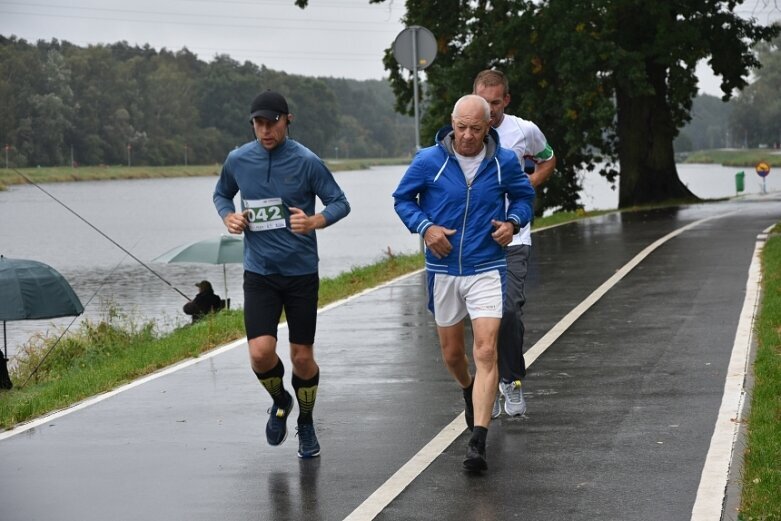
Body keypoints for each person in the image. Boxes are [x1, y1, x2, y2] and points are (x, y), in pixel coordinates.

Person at [393, 94, 535, 472]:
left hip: (487, 266)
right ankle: (468, 389)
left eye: (475, 128)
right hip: (443, 271)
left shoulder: (504, 161)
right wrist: (426, 228)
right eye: (461, 127)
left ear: (489, 125)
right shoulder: (429, 161)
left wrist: (513, 224)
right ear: (451, 123)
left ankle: (478, 442)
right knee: (454, 355)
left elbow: (524, 198)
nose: (468, 136)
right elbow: (403, 200)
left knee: (486, 351)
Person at [213, 90, 350, 459]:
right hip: (259, 273)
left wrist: (315, 220)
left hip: (301, 273)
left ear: (288, 120)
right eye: (258, 123)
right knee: (260, 354)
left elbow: (340, 202)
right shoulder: (238, 160)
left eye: (271, 122)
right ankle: (281, 401)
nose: (264, 130)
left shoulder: (307, 162)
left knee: (302, 358)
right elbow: (222, 194)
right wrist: (229, 216)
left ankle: (306, 422)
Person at [473, 69, 557, 418]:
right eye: (484, 102)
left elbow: (549, 156)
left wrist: (530, 183)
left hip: (514, 236)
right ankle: (488, 385)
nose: (489, 110)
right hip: (475, 240)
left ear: (505, 100)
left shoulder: (523, 130)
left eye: (495, 102)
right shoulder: (465, 129)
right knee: (483, 318)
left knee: (508, 312)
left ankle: (510, 378)